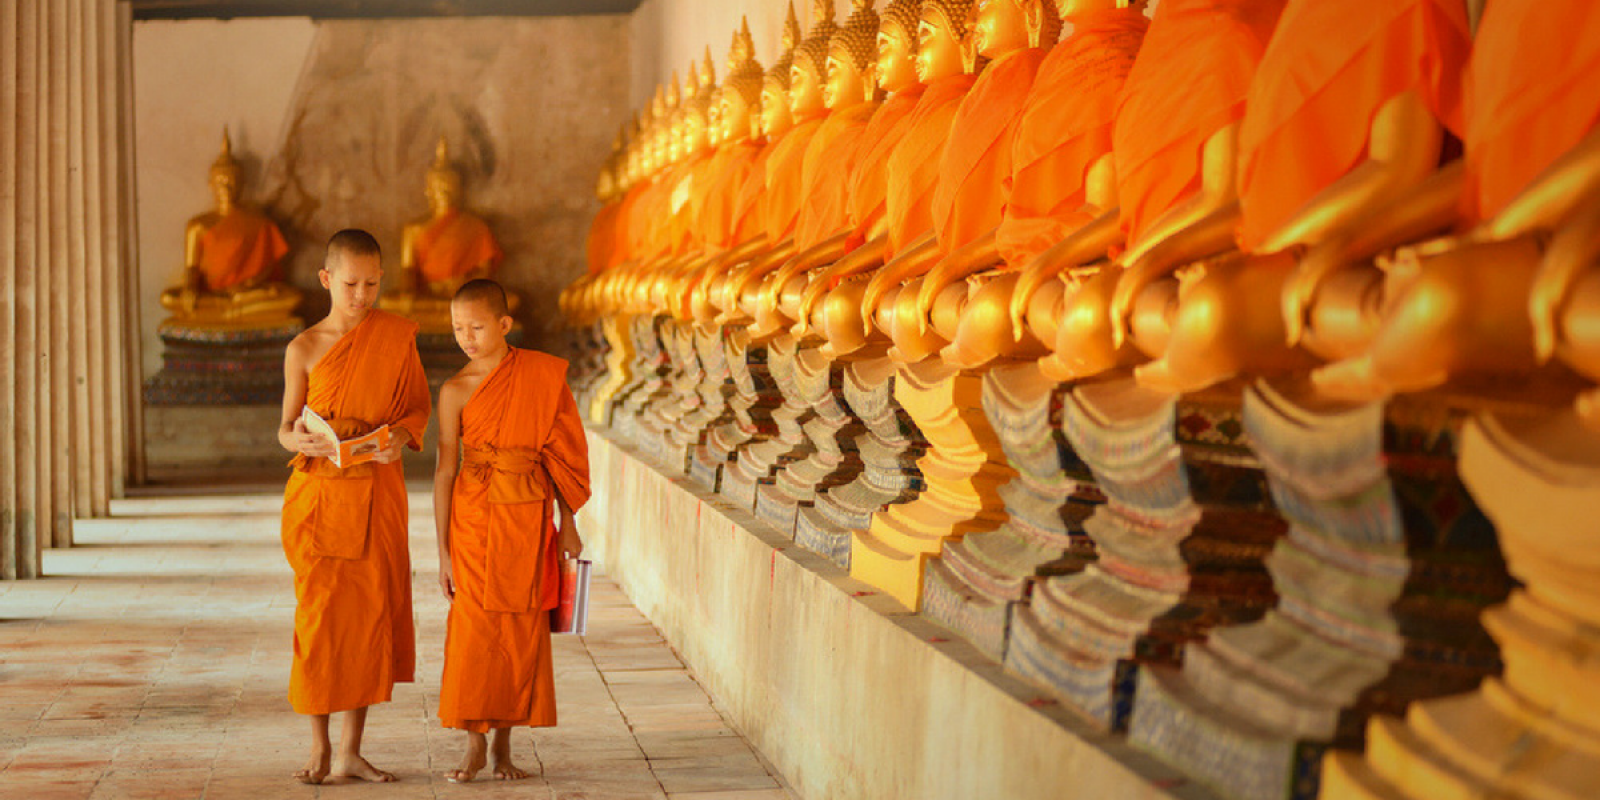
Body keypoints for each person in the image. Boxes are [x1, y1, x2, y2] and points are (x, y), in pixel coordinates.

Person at [277, 228, 430, 784]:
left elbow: (415, 409)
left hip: (376, 491)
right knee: (320, 623)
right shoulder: (304, 348)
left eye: (371, 284)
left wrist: (400, 441)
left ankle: (351, 750)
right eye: (350, 284)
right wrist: (301, 439)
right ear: (326, 280)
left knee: (367, 622)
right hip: (320, 497)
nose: (362, 295)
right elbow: (285, 428)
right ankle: (318, 746)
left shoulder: (395, 337)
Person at [433, 279, 591, 782]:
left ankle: (503, 746)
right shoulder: (455, 390)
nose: (467, 338)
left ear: (504, 325)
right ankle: (473, 742)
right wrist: (442, 553)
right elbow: (443, 470)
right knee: (475, 632)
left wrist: (569, 525)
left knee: (521, 632)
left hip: (528, 518)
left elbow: (563, 456)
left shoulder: (541, 376)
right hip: (473, 520)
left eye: (477, 327)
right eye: (458, 328)